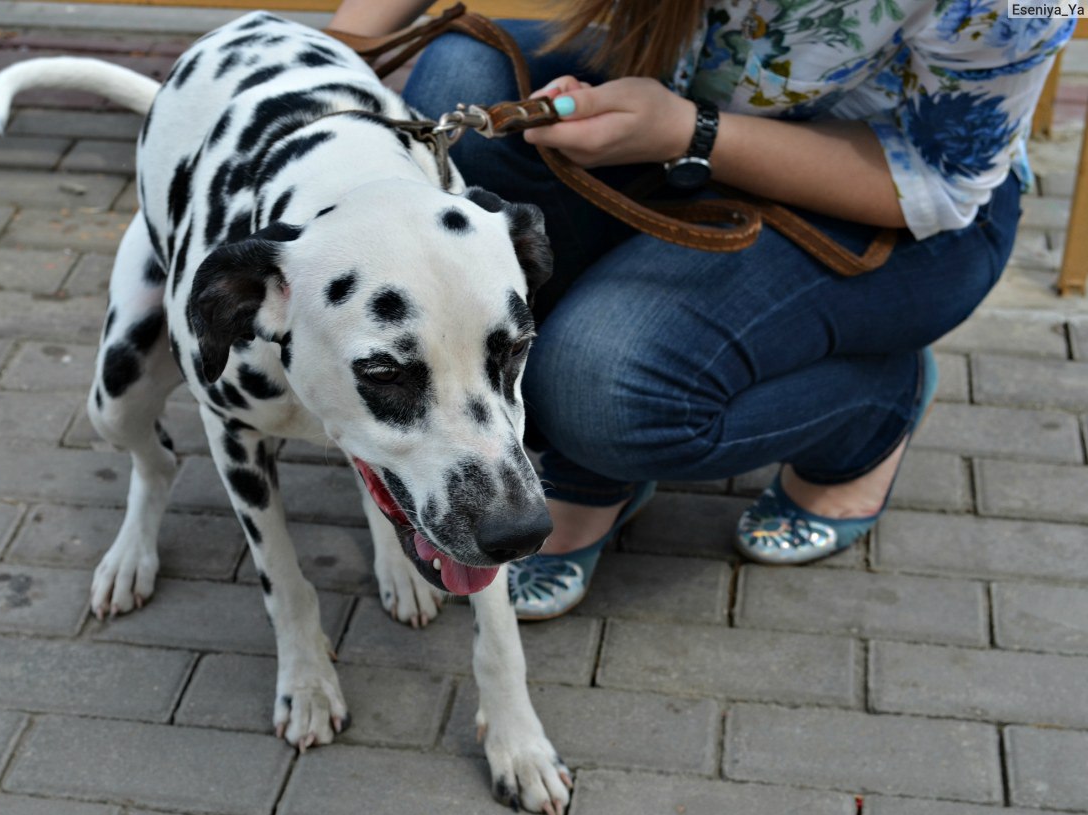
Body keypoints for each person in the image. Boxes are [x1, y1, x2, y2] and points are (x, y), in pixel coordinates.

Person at [328, 0, 1070, 618]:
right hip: (691, 94)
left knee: (600, 381)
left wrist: (691, 135)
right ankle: (579, 450)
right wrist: (332, 55)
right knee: (458, 71)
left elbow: (944, 184)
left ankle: (872, 409)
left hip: (900, 202)